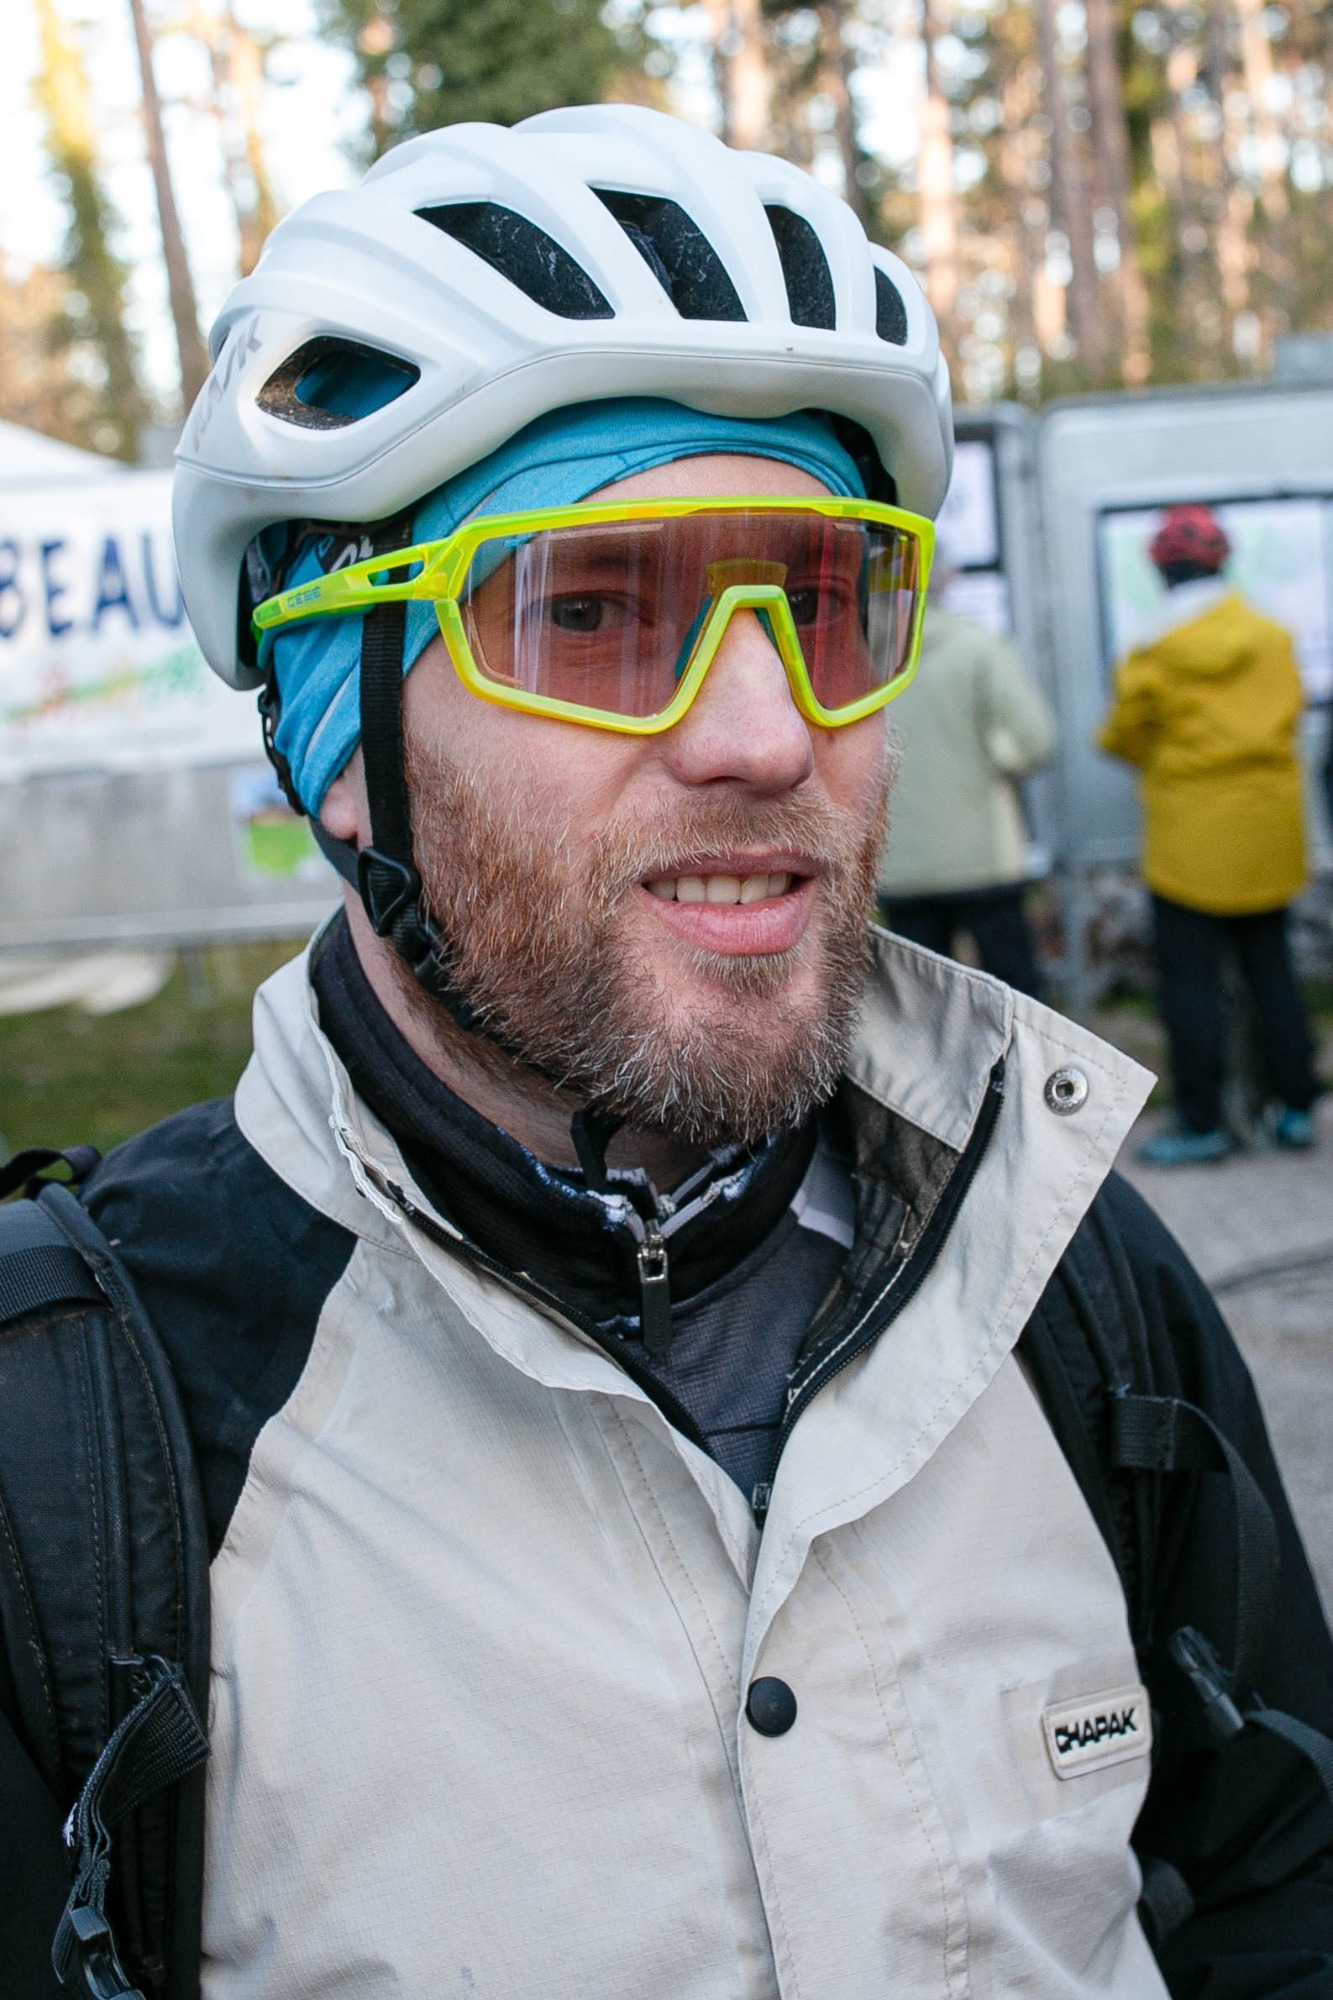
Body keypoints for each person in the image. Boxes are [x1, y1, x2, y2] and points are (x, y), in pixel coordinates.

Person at [6, 107, 1333, 2000]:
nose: (763, 736)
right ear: (332, 725)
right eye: (588, 608)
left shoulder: (1064, 1274)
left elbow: (1279, 1882)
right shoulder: (79, 1449)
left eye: (822, 602)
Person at [1099, 504, 1321, 1165]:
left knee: (1190, 986)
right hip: (1268, 834)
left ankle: (1202, 1123)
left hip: (1187, 841)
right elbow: (1291, 711)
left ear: (1161, 572)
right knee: (1273, 974)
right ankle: (1295, 1110)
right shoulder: (1271, 637)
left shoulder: (1153, 648)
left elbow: (1124, 736)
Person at [876, 549, 1055, 996]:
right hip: (984, 860)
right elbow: (1035, 741)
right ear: (944, 579)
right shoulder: (978, 647)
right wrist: (996, 753)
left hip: (900, 863)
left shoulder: (865, 657)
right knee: (1011, 995)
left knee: (918, 1003)